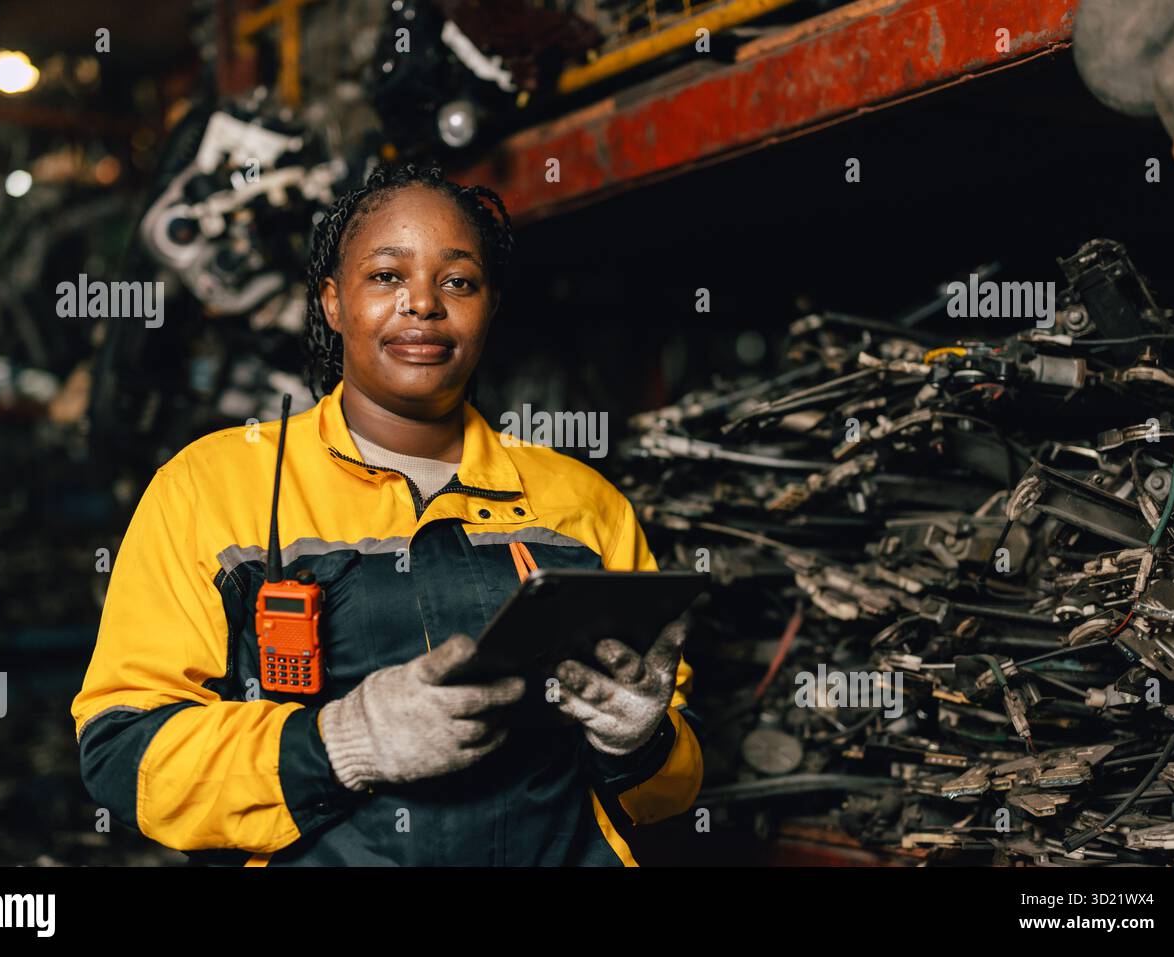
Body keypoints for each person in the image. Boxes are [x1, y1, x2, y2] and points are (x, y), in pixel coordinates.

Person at [71, 161, 703, 866]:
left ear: (489, 307)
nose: (423, 304)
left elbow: (663, 793)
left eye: (458, 280)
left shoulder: (582, 503)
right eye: (387, 276)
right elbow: (122, 753)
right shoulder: (211, 487)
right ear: (333, 302)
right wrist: (343, 741)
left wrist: (642, 742)